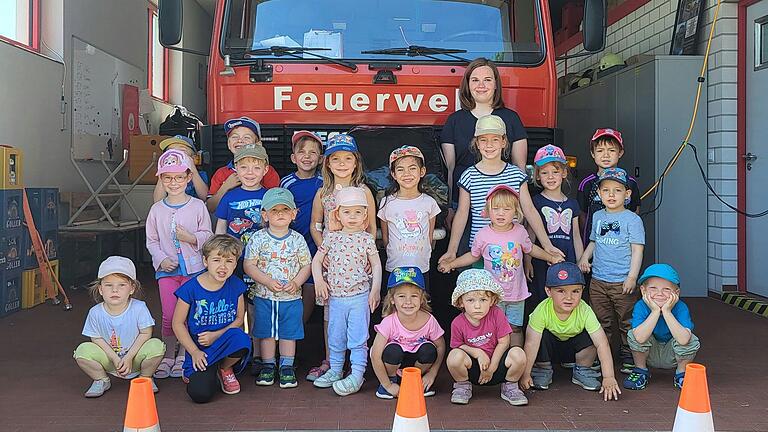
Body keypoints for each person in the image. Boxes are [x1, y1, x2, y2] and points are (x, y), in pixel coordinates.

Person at [439, 184, 559, 347]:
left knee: (515, 328)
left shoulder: (520, 231)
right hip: (493, 295)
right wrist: (452, 263)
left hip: (516, 293)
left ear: (516, 211)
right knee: (493, 329)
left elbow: (531, 249)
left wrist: (550, 257)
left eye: (507, 209)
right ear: (488, 211)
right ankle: (496, 364)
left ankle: (515, 362)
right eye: (496, 209)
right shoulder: (483, 234)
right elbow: (473, 256)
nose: (501, 213)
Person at [439, 115, 564, 270]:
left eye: (495, 139)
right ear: (476, 143)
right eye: (483, 140)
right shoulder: (469, 175)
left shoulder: (516, 175)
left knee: (510, 292)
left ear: (504, 142)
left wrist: (547, 245)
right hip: (480, 252)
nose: (489, 145)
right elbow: (462, 213)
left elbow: (529, 210)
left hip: (511, 251)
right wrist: (452, 251)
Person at [307, 133, 377, 381]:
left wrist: (369, 257)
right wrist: (321, 251)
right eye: (336, 159)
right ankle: (331, 361)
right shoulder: (323, 193)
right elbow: (316, 224)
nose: (342, 163)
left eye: (348, 158)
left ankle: (355, 364)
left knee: (357, 313)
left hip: (357, 264)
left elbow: (371, 228)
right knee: (331, 315)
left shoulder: (363, 191)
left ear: (356, 162)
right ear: (327, 162)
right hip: (331, 262)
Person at [146, 150, 213, 379]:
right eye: (167, 178)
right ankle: (168, 353)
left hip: (193, 270)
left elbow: (208, 233)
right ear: (161, 179)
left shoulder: (197, 206)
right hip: (167, 271)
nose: (173, 182)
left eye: (179, 177)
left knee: (190, 313)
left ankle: (185, 353)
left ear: (187, 178)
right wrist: (161, 259)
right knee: (168, 314)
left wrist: (192, 238)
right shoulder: (156, 210)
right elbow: (151, 240)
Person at [311, 186, 382, 396]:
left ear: (365, 216)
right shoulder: (331, 238)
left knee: (358, 337)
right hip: (335, 298)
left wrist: (375, 290)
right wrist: (319, 282)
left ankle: (357, 374)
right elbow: (317, 262)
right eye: (347, 212)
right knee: (335, 335)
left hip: (359, 297)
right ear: (337, 214)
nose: (352, 217)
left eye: (358, 212)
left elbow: (376, 265)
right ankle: (335, 370)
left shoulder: (366, 239)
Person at [520, 262, 621, 401]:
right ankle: (543, 370)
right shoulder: (542, 310)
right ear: (548, 291)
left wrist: (609, 377)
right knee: (537, 336)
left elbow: (602, 344)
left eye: (575, 291)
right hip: (550, 352)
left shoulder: (584, 310)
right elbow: (531, 344)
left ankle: (582, 370)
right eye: (561, 291)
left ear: (582, 290)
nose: (569, 297)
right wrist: (525, 374)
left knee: (595, 334)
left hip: (575, 353)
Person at [578, 167, 645, 374]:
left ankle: (628, 355)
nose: (611, 195)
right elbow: (593, 241)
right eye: (606, 190)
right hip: (598, 279)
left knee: (627, 321)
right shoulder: (598, 216)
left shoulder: (633, 219)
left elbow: (637, 249)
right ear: (599, 194)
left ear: (627, 194)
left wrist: (632, 276)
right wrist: (583, 258)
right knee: (600, 321)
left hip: (622, 281)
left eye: (617, 191)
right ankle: (602, 354)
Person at [243, 187, 312, 389]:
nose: (280, 214)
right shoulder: (258, 238)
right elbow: (249, 265)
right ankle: (268, 364)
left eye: (285, 209)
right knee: (266, 332)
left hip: (291, 298)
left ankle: (287, 365)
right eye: (274, 210)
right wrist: (265, 280)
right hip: (265, 295)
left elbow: (306, 264)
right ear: (264, 214)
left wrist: (297, 282)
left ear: (293, 213)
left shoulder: (297, 240)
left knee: (288, 332)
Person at [441, 58, 528, 215]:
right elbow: (449, 169)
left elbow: (519, 167)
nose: (481, 85)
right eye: (475, 80)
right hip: (462, 203)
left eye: (487, 80)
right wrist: (449, 207)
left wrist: (522, 207)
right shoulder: (454, 121)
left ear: (496, 85)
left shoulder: (512, 118)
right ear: (468, 85)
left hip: (503, 205)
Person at [172, 235, 251, 403]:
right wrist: (194, 351)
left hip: (224, 342)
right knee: (200, 394)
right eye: (216, 260)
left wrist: (216, 335)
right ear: (205, 261)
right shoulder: (190, 289)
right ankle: (205, 369)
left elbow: (239, 318)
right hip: (200, 348)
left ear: (235, 263)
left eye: (229, 261)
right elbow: (177, 324)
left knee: (242, 339)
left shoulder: (236, 285)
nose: (223, 267)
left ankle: (225, 368)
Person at [73, 256, 166, 398]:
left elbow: (146, 333)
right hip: (110, 360)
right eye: (108, 285)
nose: (114, 290)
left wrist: (128, 357)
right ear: (100, 289)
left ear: (132, 288)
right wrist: (115, 359)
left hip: (135, 358)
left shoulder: (139, 308)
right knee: (82, 351)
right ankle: (101, 379)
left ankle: (146, 377)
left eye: (121, 285)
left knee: (156, 346)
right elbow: (96, 338)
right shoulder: (95, 312)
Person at [214, 144, 270, 372]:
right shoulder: (229, 197)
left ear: (265, 169)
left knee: (257, 308)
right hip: (233, 263)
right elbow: (220, 230)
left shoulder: (269, 195)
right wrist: (217, 258)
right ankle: (237, 350)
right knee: (237, 308)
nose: (250, 172)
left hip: (261, 264)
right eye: (244, 167)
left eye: (256, 167)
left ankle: (257, 354)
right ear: (235, 169)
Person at [446, 269, 529, 406]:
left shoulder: (497, 314)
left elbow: (504, 342)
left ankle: (510, 386)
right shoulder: (457, 322)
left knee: (518, 354)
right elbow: (457, 345)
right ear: (461, 302)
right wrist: (478, 353)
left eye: (483, 299)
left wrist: (492, 368)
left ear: (492, 301)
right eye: (470, 300)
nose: (477, 306)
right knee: (454, 356)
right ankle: (462, 386)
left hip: (497, 367)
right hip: (473, 369)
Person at [370, 267, 446, 399]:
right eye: (401, 296)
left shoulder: (428, 320)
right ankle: (391, 382)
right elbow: (375, 356)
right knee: (393, 351)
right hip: (393, 366)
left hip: (415, 367)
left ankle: (418, 381)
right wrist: (387, 384)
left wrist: (432, 374)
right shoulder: (388, 322)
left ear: (422, 298)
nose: (408, 302)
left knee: (428, 350)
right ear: (392, 299)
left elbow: (440, 346)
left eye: (414, 296)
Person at [623, 264, 700, 390]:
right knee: (633, 334)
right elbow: (640, 338)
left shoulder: (681, 307)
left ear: (676, 293)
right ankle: (640, 370)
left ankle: (681, 374)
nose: (660, 293)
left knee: (691, 339)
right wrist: (654, 312)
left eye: (667, 289)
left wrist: (667, 311)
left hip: (672, 353)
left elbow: (683, 340)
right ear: (643, 290)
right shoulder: (641, 306)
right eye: (653, 288)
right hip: (650, 352)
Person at [378, 146, 440, 294]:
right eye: (400, 169)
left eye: (412, 168)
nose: (407, 174)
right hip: (395, 267)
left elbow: (429, 237)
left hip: (421, 267)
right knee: (394, 304)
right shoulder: (387, 202)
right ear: (393, 174)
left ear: (422, 171)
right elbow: (386, 238)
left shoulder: (429, 202)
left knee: (421, 303)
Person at [525, 144, 584, 303]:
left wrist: (579, 261)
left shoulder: (572, 204)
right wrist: (527, 261)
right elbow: (530, 234)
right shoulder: (535, 202)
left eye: (555, 171)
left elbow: (576, 236)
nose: (550, 177)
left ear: (564, 173)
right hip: (541, 260)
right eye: (544, 173)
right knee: (543, 295)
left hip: (567, 257)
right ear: (537, 176)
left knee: (566, 296)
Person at [280, 130, 323, 324]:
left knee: (311, 285)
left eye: (313, 152)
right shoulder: (287, 183)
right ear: (293, 157)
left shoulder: (324, 182)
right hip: (293, 242)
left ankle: (300, 328)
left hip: (316, 241)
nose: (307, 156)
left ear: (321, 159)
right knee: (291, 282)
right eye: (302, 152)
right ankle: (287, 329)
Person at [577, 128, 641, 249]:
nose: (606, 155)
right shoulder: (587, 183)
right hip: (594, 246)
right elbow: (582, 216)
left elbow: (635, 212)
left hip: (622, 246)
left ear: (620, 153)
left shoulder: (630, 182)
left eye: (611, 150)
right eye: (600, 150)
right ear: (592, 154)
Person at [207, 116, 280, 212]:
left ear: (258, 144)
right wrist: (225, 187)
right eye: (235, 137)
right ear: (229, 144)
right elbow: (210, 208)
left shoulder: (268, 172)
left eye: (246, 137)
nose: (240, 140)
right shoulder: (221, 173)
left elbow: (277, 206)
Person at [152, 135, 209, 201]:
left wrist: (193, 169)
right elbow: (157, 200)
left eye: (181, 151)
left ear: (193, 158)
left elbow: (204, 197)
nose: (175, 155)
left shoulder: (200, 174)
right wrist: (163, 170)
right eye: (170, 151)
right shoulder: (167, 176)